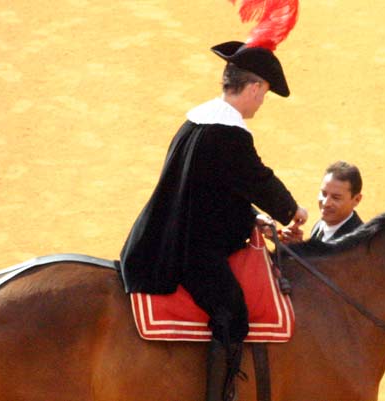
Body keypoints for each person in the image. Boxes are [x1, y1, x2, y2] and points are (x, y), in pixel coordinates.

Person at [119, 41, 307, 401]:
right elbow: (256, 179)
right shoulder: (229, 133)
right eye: (264, 93)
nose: (262, 102)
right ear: (254, 88)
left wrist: (255, 218)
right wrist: (291, 210)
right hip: (189, 248)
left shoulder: (197, 121)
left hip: (171, 232)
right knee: (232, 311)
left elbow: (214, 190)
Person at [280, 161, 363, 244]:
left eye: (336, 198)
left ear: (356, 200)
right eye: (324, 194)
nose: (326, 203)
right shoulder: (323, 223)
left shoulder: (356, 245)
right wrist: (298, 246)